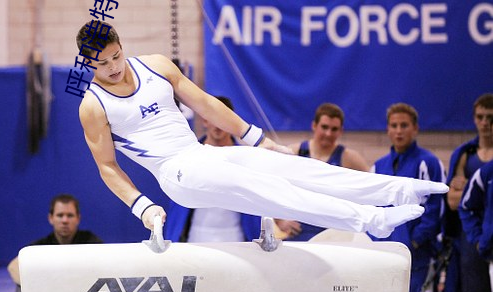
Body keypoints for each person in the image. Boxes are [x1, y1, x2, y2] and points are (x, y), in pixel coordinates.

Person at [76, 20, 447, 247]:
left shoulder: (155, 66)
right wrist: (143, 207)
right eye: (102, 63)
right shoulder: (93, 106)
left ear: (122, 47)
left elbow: (206, 103)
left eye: (116, 56)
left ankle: (396, 189)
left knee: (295, 169)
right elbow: (107, 167)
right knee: (271, 191)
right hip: (176, 174)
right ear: (88, 63)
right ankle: (370, 220)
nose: (112, 67)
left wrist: (257, 138)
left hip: (203, 156)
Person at [164, 96, 261, 292]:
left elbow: (258, 199)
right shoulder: (187, 154)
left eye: (223, 120)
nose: (218, 126)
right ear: (204, 120)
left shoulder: (245, 159)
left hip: (237, 239)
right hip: (197, 238)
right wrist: (170, 238)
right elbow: (175, 198)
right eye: (212, 119)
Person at [279, 102, 369, 292]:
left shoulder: (349, 158)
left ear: (340, 131)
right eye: (325, 127)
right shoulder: (294, 152)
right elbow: (268, 189)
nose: (329, 134)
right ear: (314, 126)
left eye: (334, 129)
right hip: (300, 235)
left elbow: (372, 192)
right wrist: (280, 220)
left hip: (334, 239)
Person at [370, 103, 445, 292]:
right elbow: (371, 209)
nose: (399, 131)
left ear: (415, 129)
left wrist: (415, 241)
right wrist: (378, 243)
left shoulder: (428, 163)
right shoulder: (378, 167)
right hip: (388, 259)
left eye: (404, 125)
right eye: (394, 126)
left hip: (419, 257)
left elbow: (435, 209)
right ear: (388, 130)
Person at [2, 194, 103, 292]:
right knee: (25, 270)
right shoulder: (40, 246)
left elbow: (101, 270)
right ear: (51, 218)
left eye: (70, 215)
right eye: (60, 215)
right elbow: (13, 266)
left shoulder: (91, 242)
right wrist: (43, 283)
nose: (65, 220)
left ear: (78, 218)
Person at [443, 93, 493, 292]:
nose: (485, 123)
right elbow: (452, 202)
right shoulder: (465, 154)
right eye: (480, 117)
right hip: (472, 238)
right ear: (474, 119)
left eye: (490, 118)